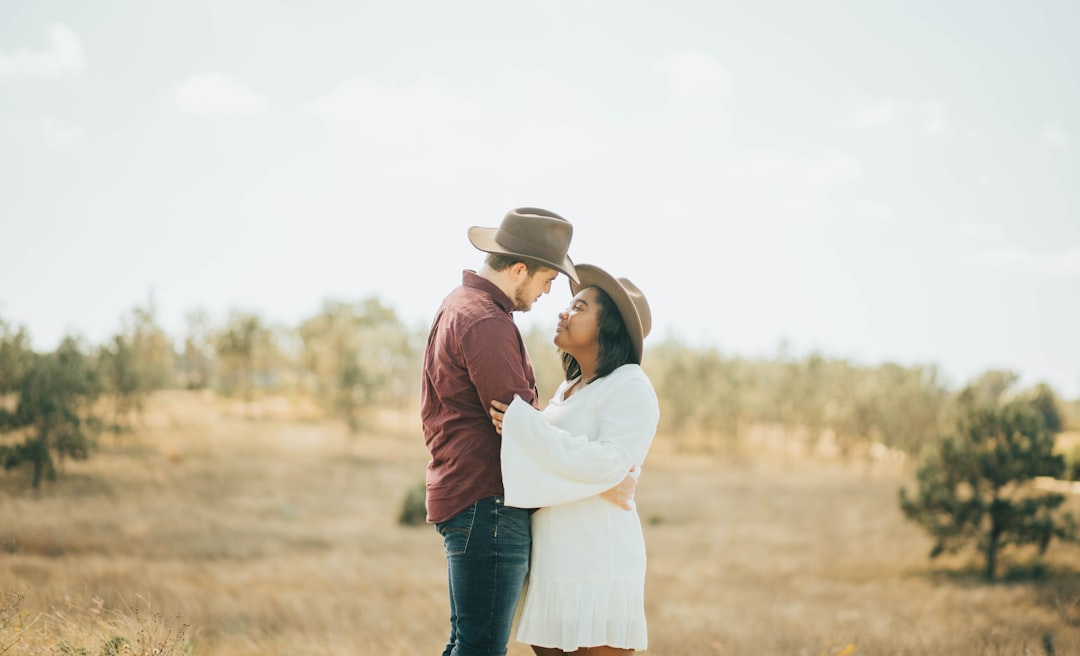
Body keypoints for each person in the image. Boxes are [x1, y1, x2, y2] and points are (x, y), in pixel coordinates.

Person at [422, 208, 633, 656]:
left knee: (467, 643)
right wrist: (603, 477)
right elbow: (518, 429)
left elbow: (524, 426)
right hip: (490, 504)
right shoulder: (486, 321)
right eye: (545, 280)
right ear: (519, 270)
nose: (547, 294)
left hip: (469, 498)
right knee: (479, 648)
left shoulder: (459, 305)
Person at [491, 263, 660, 655]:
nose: (564, 312)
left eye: (580, 307)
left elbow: (608, 463)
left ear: (609, 325)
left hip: (597, 567)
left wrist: (525, 426)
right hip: (554, 564)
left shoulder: (630, 384)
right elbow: (553, 461)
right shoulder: (568, 391)